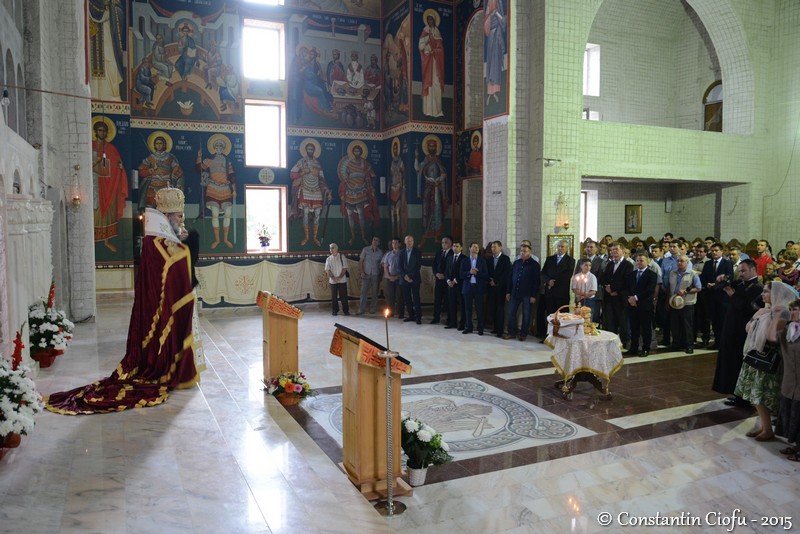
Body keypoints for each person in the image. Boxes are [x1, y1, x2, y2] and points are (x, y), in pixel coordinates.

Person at [47, 187, 200, 414]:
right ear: (167, 217)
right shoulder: (154, 239)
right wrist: (189, 245)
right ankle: (164, 369)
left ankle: (175, 368)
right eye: (179, 216)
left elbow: (176, 257)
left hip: (163, 301)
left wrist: (185, 242)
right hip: (159, 306)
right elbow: (172, 263)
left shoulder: (162, 236)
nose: (182, 220)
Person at [735, 282, 796, 441]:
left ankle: (768, 429)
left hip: (769, 358)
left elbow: (772, 337)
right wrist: (757, 316)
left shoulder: (783, 312)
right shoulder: (766, 310)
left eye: (766, 292)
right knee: (755, 395)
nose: (762, 295)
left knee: (760, 395)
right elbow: (748, 328)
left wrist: (768, 316)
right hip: (756, 354)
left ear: (776, 294)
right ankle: (764, 426)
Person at [712, 259, 763, 406]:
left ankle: (742, 397)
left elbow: (749, 309)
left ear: (753, 270)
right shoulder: (741, 283)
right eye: (739, 271)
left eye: (743, 271)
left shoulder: (757, 288)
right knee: (730, 361)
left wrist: (732, 295)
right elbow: (720, 287)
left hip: (742, 331)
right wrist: (721, 279)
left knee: (738, 362)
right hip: (730, 328)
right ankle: (733, 390)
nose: (740, 274)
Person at [92, 119, 128, 253]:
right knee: (96, 211)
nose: (103, 132)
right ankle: (94, 239)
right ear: (95, 131)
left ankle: (107, 241)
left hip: (110, 186)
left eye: (105, 130)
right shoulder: (90, 146)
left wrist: (120, 167)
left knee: (109, 213)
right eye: (100, 130)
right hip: (96, 185)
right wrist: (96, 163)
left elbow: (118, 165)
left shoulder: (112, 149)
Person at [196, 137, 236, 249]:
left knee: (227, 214)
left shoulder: (227, 161)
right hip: (213, 188)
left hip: (225, 189)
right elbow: (200, 170)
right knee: (215, 214)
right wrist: (199, 158)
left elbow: (232, 176)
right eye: (217, 146)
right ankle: (217, 240)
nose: (218, 148)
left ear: (223, 148)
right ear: (214, 148)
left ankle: (226, 239)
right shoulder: (210, 160)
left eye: (220, 146)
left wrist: (234, 190)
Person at [290, 140, 331, 247]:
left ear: (314, 151)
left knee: (317, 214)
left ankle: (314, 237)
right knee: (306, 213)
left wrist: (327, 191)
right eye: (308, 149)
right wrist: (303, 172)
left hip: (316, 190)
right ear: (305, 150)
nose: (310, 151)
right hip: (305, 189)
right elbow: (292, 174)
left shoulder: (317, 163)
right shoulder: (301, 162)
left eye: (312, 149)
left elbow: (322, 179)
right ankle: (307, 237)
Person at [338, 141, 378, 245]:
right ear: (353, 152)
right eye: (355, 151)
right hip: (350, 191)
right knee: (350, 214)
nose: (356, 153)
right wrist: (346, 185)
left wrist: (372, 185)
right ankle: (353, 236)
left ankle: (363, 236)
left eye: (358, 151)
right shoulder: (349, 164)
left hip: (361, 191)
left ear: (360, 152)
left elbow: (372, 174)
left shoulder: (365, 163)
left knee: (361, 214)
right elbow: (345, 177)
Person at [776, 299, 800, 460]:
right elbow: (771, 337)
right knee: (793, 414)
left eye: (796, 309)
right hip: (790, 381)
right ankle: (796, 446)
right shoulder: (789, 330)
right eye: (791, 309)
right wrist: (777, 318)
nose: (792, 312)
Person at [137, 134, 184, 211]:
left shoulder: (169, 158)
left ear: (164, 144)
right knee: (150, 207)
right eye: (157, 143)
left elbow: (178, 170)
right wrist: (151, 170)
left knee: (166, 207)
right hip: (153, 185)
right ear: (154, 145)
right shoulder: (151, 158)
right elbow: (141, 171)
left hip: (166, 185)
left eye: (160, 143)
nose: (158, 145)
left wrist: (175, 179)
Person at [414, 137, 448, 245]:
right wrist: (416, 157)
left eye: (433, 146)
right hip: (428, 189)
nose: (432, 148)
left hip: (437, 188)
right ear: (427, 148)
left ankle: (436, 236)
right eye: (430, 146)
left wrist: (438, 179)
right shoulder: (425, 160)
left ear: (436, 148)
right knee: (427, 211)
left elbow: (443, 173)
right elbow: (418, 169)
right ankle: (425, 235)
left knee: (437, 211)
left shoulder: (438, 160)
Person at [504, 243, 540, 341]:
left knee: (526, 314)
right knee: (511, 312)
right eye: (521, 251)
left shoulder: (534, 265)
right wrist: (508, 292)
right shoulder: (517, 263)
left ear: (529, 252)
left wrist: (533, 295)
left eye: (525, 251)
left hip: (527, 294)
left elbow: (536, 281)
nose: (522, 253)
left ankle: (523, 333)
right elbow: (510, 278)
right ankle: (512, 332)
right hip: (515, 292)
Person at [702, 242, 734, 348]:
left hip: (722, 296)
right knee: (714, 320)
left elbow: (729, 279)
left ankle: (723, 342)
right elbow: (703, 278)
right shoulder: (707, 264)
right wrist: (707, 284)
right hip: (711, 297)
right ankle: (716, 342)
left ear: (722, 251)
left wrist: (715, 286)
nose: (714, 253)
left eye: (716, 250)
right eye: (712, 251)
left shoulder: (727, 263)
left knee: (722, 320)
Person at [668, 255, 702, 354]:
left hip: (687, 303)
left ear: (687, 263)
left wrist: (686, 291)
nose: (679, 263)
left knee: (687, 325)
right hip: (674, 302)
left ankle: (689, 345)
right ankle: (676, 344)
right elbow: (669, 287)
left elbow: (699, 288)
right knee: (675, 325)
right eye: (678, 261)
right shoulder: (672, 273)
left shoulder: (692, 273)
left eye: (682, 261)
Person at [626, 253, 658, 357]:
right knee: (634, 328)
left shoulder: (652, 274)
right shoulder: (632, 274)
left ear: (647, 261)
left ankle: (645, 348)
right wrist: (631, 298)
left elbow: (649, 290)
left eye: (641, 261)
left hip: (645, 305)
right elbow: (628, 288)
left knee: (646, 329)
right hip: (632, 305)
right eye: (638, 261)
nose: (639, 263)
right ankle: (634, 348)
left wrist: (636, 298)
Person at [602, 242, 633, 347]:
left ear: (623, 251)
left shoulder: (628, 265)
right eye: (612, 250)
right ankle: (612, 342)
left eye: (616, 249)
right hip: (609, 297)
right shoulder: (610, 264)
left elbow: (626, 281)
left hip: (621, 297)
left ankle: (626, 342)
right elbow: (604, 277)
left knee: (623, 321)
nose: (613, 252)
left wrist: (615, 290)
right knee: (610, 321)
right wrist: (607, 287)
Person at [418, 9, 445, 118]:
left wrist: (436, 51)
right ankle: (428, 110)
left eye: (431, 19)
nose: (430, 21)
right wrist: (426, 40)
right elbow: (420, 47)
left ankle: (437, 110)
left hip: (435, 62)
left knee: (436, 84)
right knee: (428, 85)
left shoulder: (437, 32)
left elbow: (441, 49)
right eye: (428, 19)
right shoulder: (425, 31)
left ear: (434, 20)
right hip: (428, 62)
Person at [541, 239, 576, 323]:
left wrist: (554, 282)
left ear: (567, 249)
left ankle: (561, 333)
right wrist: (548, 281)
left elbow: (567, 275)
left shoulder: (570, 260)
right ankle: (550, 333)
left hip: (561, 292)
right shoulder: (550, 259)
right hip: (550, 292)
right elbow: (543, 273)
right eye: (559, 246)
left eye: (562, 247)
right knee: (550, 314)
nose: (560, 248)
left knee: (562, 316)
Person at [461, 242, 489, 335]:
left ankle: (480, 328)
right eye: (474, 246)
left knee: (479, 309)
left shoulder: (482, 261)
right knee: (468, 308)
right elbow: (461, 274)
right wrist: (469, 272)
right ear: (469, 248)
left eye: (477, 247)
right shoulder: (464, 261)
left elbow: (486, 275)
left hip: (478, 288)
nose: (476, 248)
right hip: (468, 287)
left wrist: (477, 273)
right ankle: (469, 327)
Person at [483, 0, 507, 105]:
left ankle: (496, 90)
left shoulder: (500, 3)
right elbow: (485, 24)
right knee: (490, 64)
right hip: (491, 38)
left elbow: (503, 22)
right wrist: (490, 15)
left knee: (496, 64)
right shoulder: (489, 3)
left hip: (497, 37)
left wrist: (496, 13)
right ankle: (489, 92)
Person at [487, 241, 511, 337]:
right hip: (491, 288)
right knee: (493, 308)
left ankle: (500, 330)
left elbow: (506, 273)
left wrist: (496, 282)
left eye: (495, 247)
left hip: (501, 288)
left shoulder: (505, 259)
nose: (493, 249)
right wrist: (490, 281)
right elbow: (487, 272)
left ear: (500, 247)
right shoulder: (489, 260)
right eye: (492, 247)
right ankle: (495, 328)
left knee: (500, 309)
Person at [398, 234, 422, 323]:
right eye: (407, 241)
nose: (409, 242)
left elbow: (418, 266)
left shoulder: (417, 252)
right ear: (405, 242)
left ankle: (418, 317)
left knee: (416, 298)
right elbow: (399, 266)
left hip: (414, 279)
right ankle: (411, 316)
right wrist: (405, 276)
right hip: (404, 279)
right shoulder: (402, 252)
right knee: (407, 298)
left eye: (410, 241)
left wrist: (410, 276)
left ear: (413, 242)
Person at [388, 138, 408, 238]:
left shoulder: (400, 161)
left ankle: (399, 234)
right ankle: (392, 234)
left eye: (396, 148)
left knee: (398, 212)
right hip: (392, 188)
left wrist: (403, 185)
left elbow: (403, 173)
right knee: (392, 212)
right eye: (394, 148)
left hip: (399, 187)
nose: (395, 150)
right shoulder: (391, 162)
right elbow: (390, 175)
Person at [431, 236, 453, 324]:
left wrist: (445, 275)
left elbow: (451, 267)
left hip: (447, 281)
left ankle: (449, 319)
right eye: (442, 242)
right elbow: (434, 265)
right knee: (437, 300)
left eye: (446, 242)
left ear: (451, 243)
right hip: (439, 280)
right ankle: (436, 318)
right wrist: (436, 274)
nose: (444, 244)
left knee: (448, 300)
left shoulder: (452, 253)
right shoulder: (439, 253)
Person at [446, 240, 467, 330]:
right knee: (451, 304)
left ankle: (462, 324)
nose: (455, 248)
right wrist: (448, 280)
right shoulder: (449, 258)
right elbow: (446, 270)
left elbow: (463, 272)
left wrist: (455, 281)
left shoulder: (464, 258)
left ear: (461, 248)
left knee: (462, 305)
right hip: (450, 285)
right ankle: (452, 323)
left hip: (460, 285)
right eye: (454, 246)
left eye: (457, 246)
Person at [358, 237, 383, 315]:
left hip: (376, 274)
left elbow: (381, 265)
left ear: (379, 243)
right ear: (372, 241)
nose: (375, 242)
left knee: (375, 292)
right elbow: (361, 261)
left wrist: (381, 275)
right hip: (366, 274)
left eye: (377, 240)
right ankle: (361, 309)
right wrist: (362, 272)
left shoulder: (380, 252)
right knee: (363, 292)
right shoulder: (365, 249)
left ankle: (373, 308)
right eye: (374, 240)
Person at [382, 238, 404, 318]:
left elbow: (404, 267)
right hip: (389, 278)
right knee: (389, 296)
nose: (394, 245)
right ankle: (391, 312)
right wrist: (389, 276)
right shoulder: (388, 254)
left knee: (399, 296)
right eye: (393, 243)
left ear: (399, 244)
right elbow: (385, 266)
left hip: (399, 278)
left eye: (396, 243)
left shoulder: (402, 254)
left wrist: (396, 277)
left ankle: (400, 313)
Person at [325, 243, 350, 316]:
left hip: (342, 280)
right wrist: (333, 278)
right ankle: (335, 310)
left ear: (336, 249)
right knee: (334, 297)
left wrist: (340, 277)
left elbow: (345, 268)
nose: (331, 250)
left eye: (332, 248)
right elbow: (327, 270)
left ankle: (346, 310)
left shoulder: (342, 257)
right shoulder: (328, 259)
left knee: (344, 296)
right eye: (330, 248)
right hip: (333, 281)